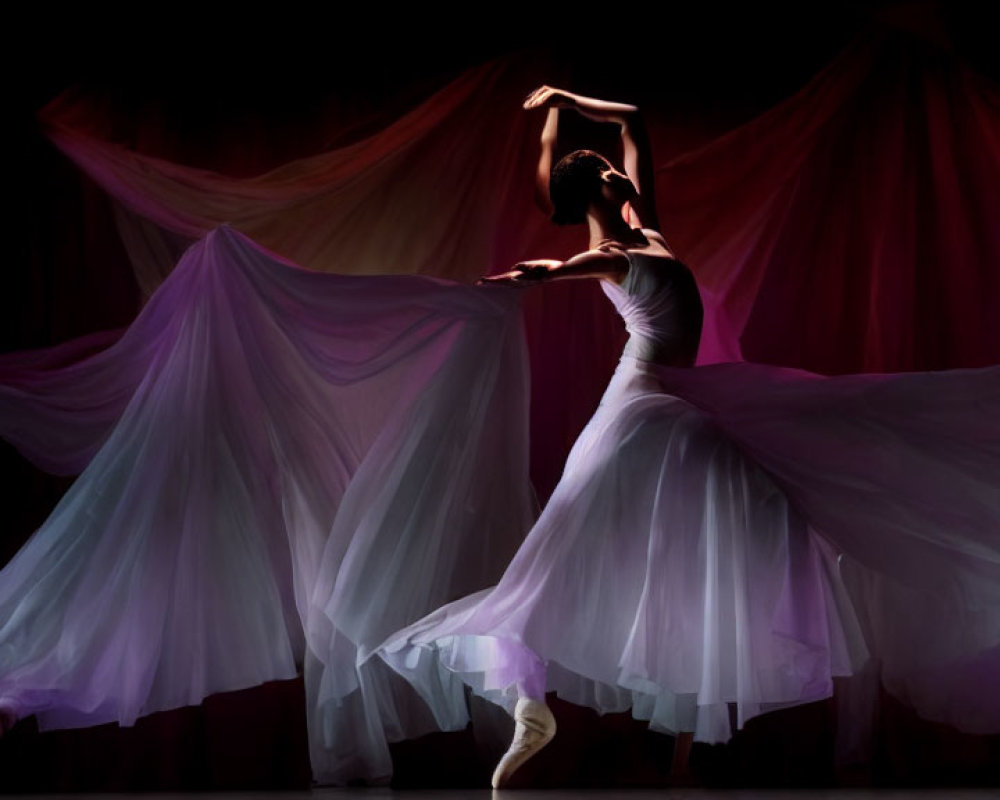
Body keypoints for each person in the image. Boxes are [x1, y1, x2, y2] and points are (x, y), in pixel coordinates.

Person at [377, 86, 1000, 788]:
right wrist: (527, 273)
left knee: (674, 564)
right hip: (644, 410)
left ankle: (668, 752)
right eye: (607, 169)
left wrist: (558, 106)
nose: (619, 168)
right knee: (563, 560)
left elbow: (635, 121)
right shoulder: (614, 250)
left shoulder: (649, 230)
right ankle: (530, 699)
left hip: (675, 404)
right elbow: (554, 269)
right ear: (599, 188)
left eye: (615, 167)